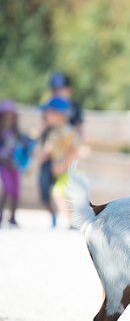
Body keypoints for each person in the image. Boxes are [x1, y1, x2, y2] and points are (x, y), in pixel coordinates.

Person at [39, 96, 79, 228]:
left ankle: (71, 221)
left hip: (68, 169)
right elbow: (49, 148)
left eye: (49, 113)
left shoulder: (67, 131)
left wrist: (63, 165)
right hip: (59, 169)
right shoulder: (53, 131)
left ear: (59, 115)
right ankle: (70, 220)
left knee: (58, 192)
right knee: (57, 193)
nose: (45, 115)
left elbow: (73, 150)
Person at [0, 99, 35, 227]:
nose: (8, 117)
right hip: (3, 164)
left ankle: (12, 217)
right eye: (5, 114)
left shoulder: (17, 132)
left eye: (11, 114)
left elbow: (26, 144)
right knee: (7, 189)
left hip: (14, 165)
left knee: (16, 190)